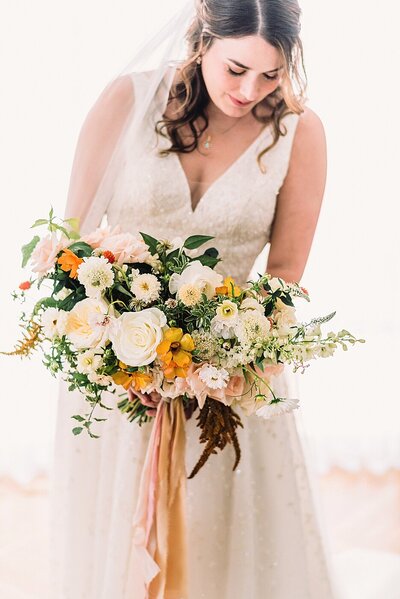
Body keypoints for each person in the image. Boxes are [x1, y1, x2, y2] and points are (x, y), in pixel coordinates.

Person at [50, 1, 340, 597]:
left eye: (271, 74)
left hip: (228, 378)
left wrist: (226, 357)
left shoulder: (298, 132)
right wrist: (111, 340)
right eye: (236, 69)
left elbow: (285, 274)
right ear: (202, 41)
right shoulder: (126, 104)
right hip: (116, 378)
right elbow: (68, 243)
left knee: (221, 544)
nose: (250, 89)